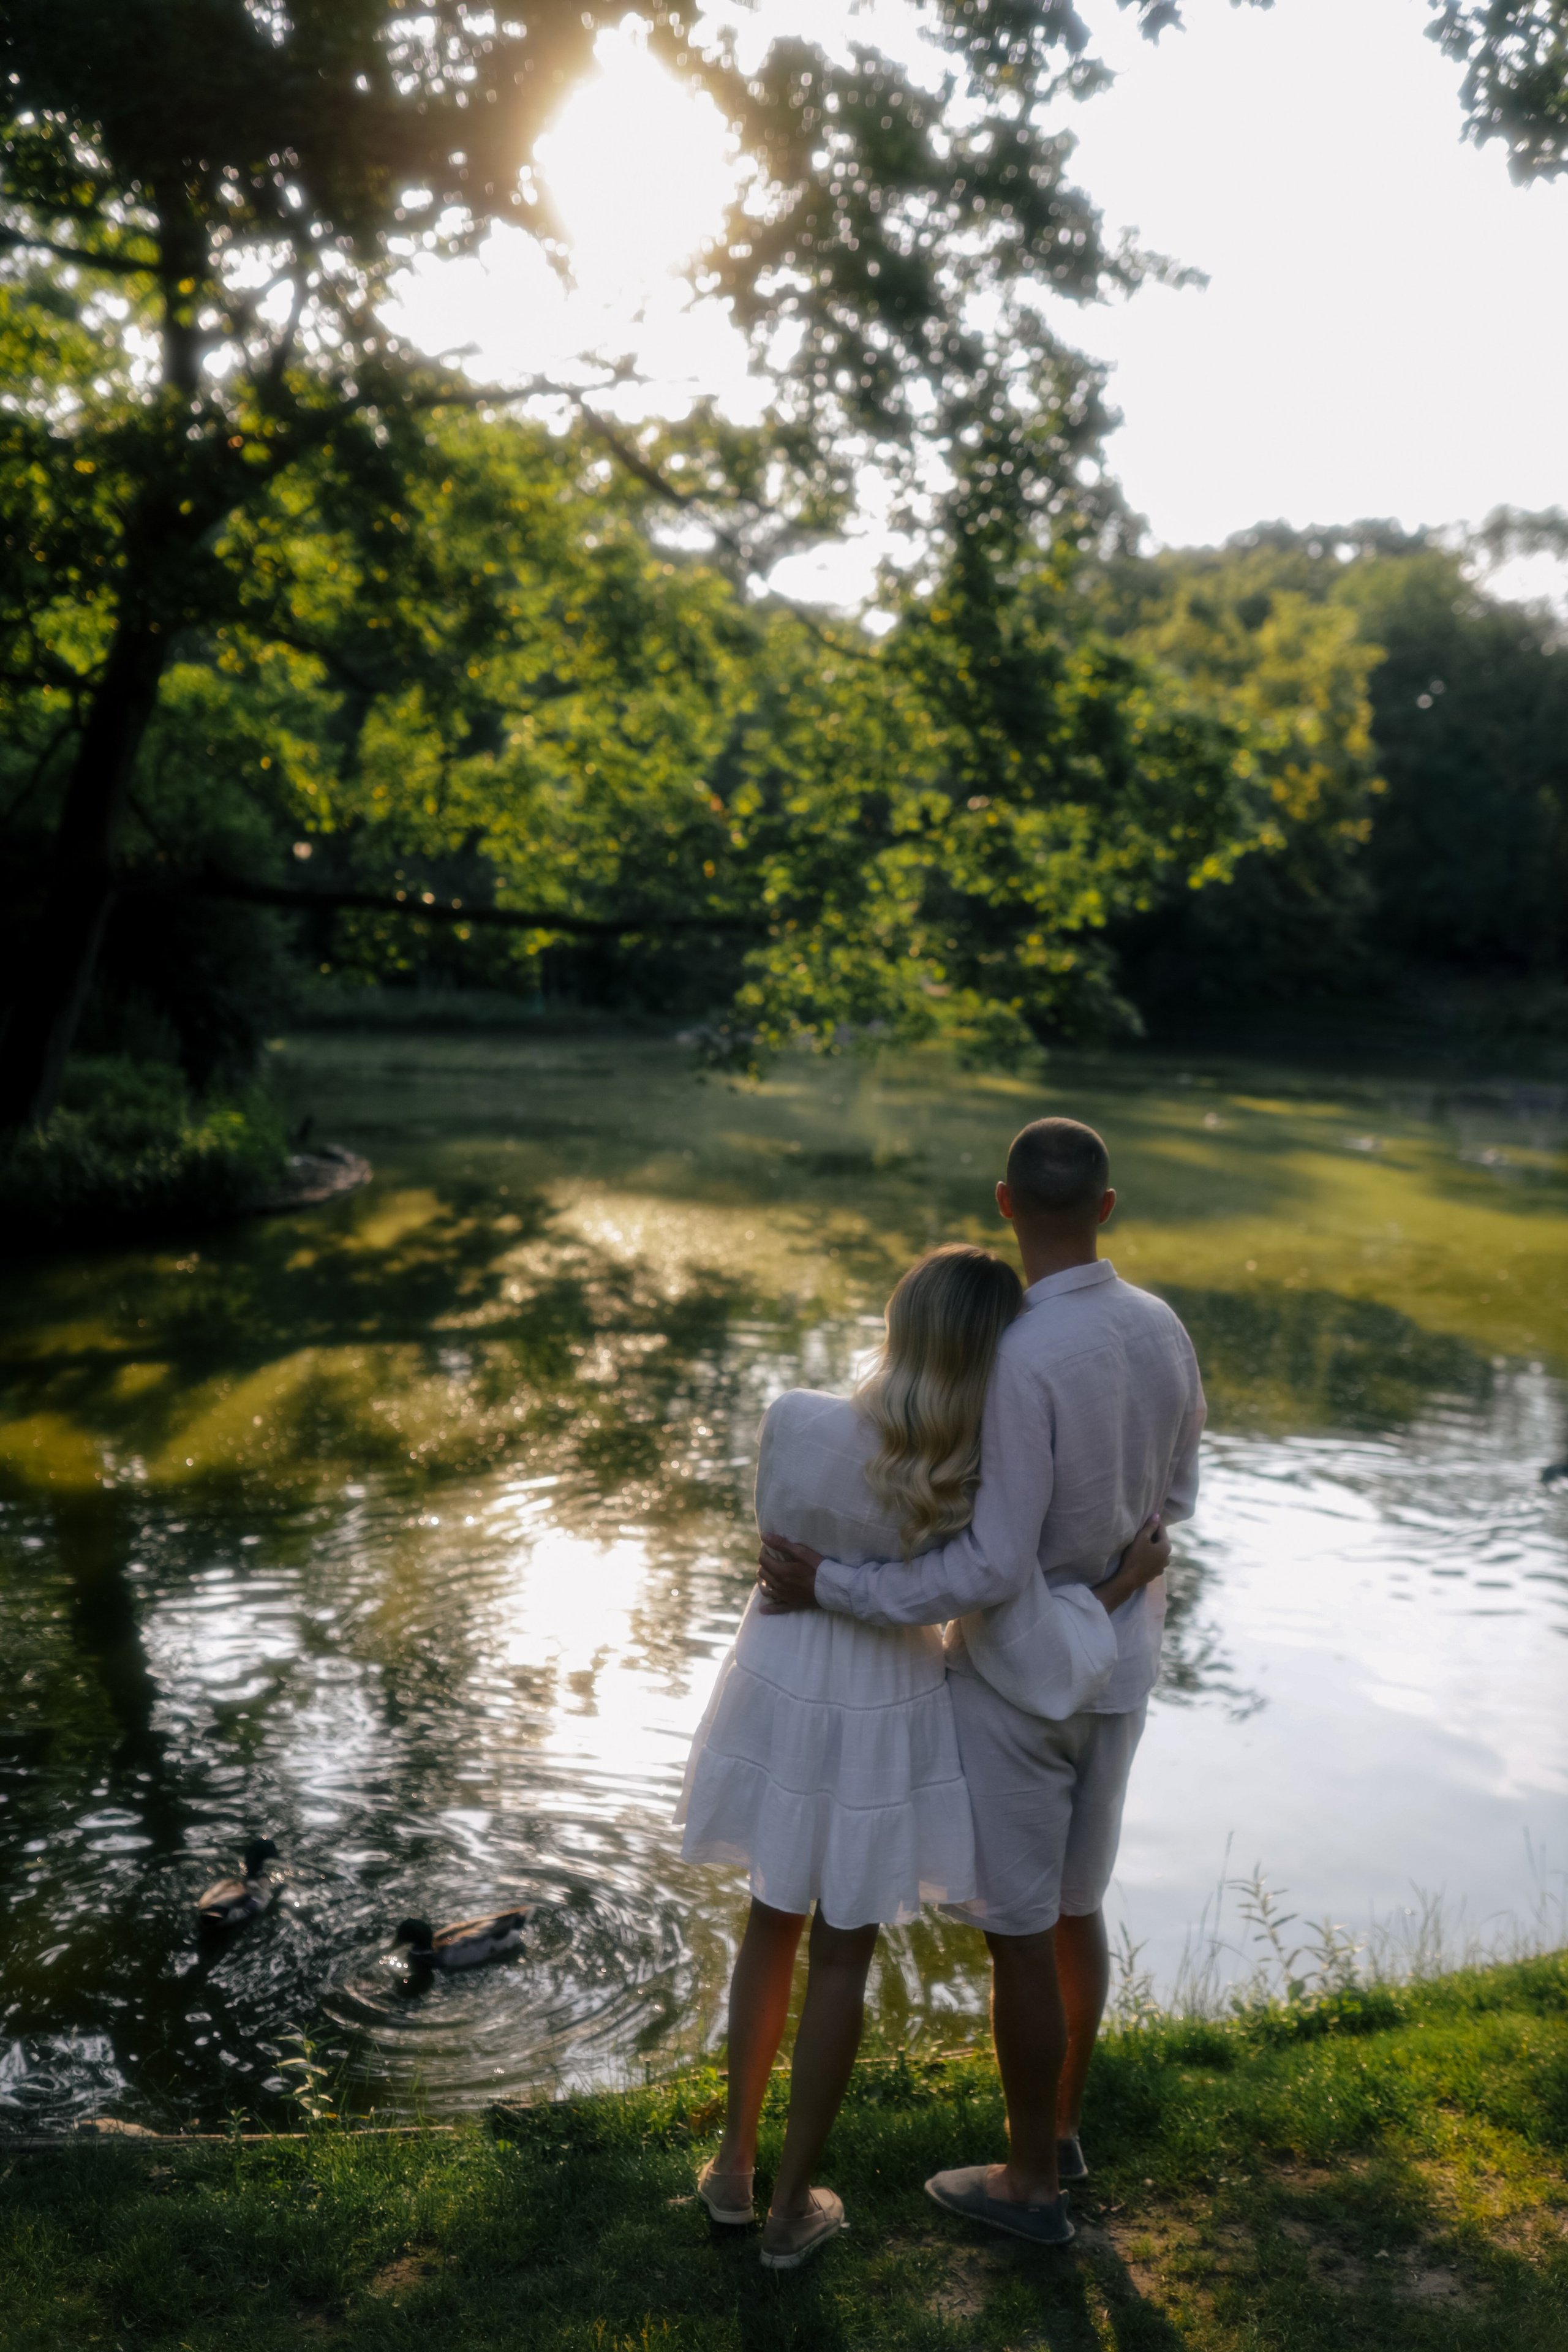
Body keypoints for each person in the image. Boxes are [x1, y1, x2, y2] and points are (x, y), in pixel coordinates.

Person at [677, 1240, 1171, 2269]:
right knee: (842, 1953)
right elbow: (985, 1584)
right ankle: (790, 2212)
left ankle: (733, 2170)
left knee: (769, 1921)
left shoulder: (793, 1418)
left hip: (780, 1680)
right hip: (885, 1699)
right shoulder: (964, 1475)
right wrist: (1117, 1588)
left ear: (899, 1318)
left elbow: (777, 1546)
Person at [759, 1116, 1205, 2248]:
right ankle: (1062, 2128)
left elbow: (992, 1568)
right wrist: (1114, 1583)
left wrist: (838, 1584)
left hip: (1018, 1683)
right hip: (1123, 1666)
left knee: (1019, 1932)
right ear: (1107, 1208)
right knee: (1078, 1906)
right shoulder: (1163, 1326)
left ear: (1006, 1204)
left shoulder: (1019, 1357)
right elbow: (1176, 1501)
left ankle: (1030, 2185)